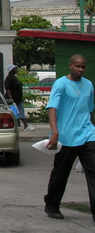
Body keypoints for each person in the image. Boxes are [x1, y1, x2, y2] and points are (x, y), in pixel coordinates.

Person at [43, 54, 95, 221]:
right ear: (70, 66)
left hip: (87, 133)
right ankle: (52, 204)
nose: (80, 69)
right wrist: (55, 131)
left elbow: (89, 110)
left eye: (83, 66)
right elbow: (52, 108)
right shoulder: (61, 84)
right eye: (77, 66)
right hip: (66, 136)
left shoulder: (88, 85)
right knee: (61, 173)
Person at [4, 64, 35, 131]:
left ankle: (25, 126)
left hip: (18, 99)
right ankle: (25, 126)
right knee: (16, 112)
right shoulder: (9, 78)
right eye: (15, 69)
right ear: (11, 70)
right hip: (13, 100)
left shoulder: (14, 77)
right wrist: (10, 98)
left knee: (20, 112)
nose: (16, 70)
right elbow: (7, 88)